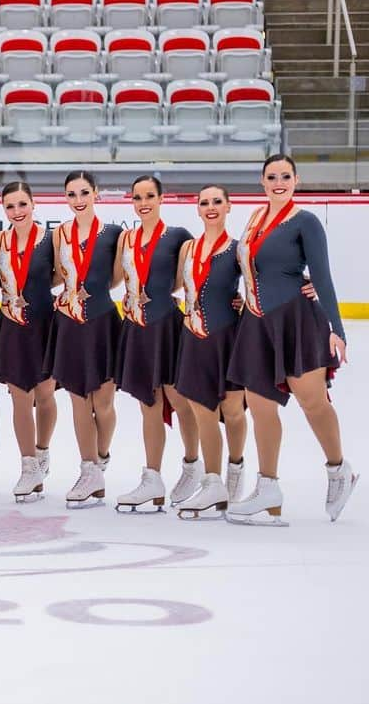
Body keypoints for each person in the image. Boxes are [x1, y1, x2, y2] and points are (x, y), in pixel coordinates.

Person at [226, 154, 357, 525]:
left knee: (311, 401)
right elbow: (249, 267)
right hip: (255, 322)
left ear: (296, 180)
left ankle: (338, 470)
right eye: (272, 176)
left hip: (295, 320)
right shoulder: (254, 220)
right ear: (262, 182)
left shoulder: (306, 221)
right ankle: (268, 486)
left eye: (286, 176)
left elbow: (323, 277)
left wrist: (338, 328)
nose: (279, 182)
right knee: (260, 404)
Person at [111, 176, 200, 514]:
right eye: (137, 197)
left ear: (161, 198)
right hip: (137, 328)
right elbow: (118, 278)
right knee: (148, 403)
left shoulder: (177, 236)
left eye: (149, 196)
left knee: (180, 399)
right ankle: (153, 478)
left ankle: (192, 465)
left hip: (167, 325)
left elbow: (193, 274)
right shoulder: (126, 239)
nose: (143, 202)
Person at [44, 170, 123, 509]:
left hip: (102, 320)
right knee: (78, 401)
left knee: (103, 403)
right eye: (71, 194)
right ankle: (88, 468)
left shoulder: (113, 233)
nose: (77, 200)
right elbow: (53, 275)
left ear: (96, 193)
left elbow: (118, 277)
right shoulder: (58, 234)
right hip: (70, 322)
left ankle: (101, 456)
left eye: (83, 193)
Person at [172, 184, 248, 519]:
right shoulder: (188, 248)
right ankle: (213, 482)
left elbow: (259, 285)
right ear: (198, 209)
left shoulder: (238, 249)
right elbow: (175, 284)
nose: (211, 207)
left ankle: (235, 468)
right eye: (205, 202)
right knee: (202, 410)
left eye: (218, 201)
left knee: (232, 411)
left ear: (229, 206)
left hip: (228, 336)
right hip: (193, 337)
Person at [0, 181, 59, 502]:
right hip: (12, 324)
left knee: (45, 393)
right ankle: (28, 465)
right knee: (20, 397)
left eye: (22, 204)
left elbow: (62, 273)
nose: (16, 212)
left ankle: (42, 451)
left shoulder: (50, 239)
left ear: (34, 204)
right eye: (10, 206)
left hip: (43, 321)